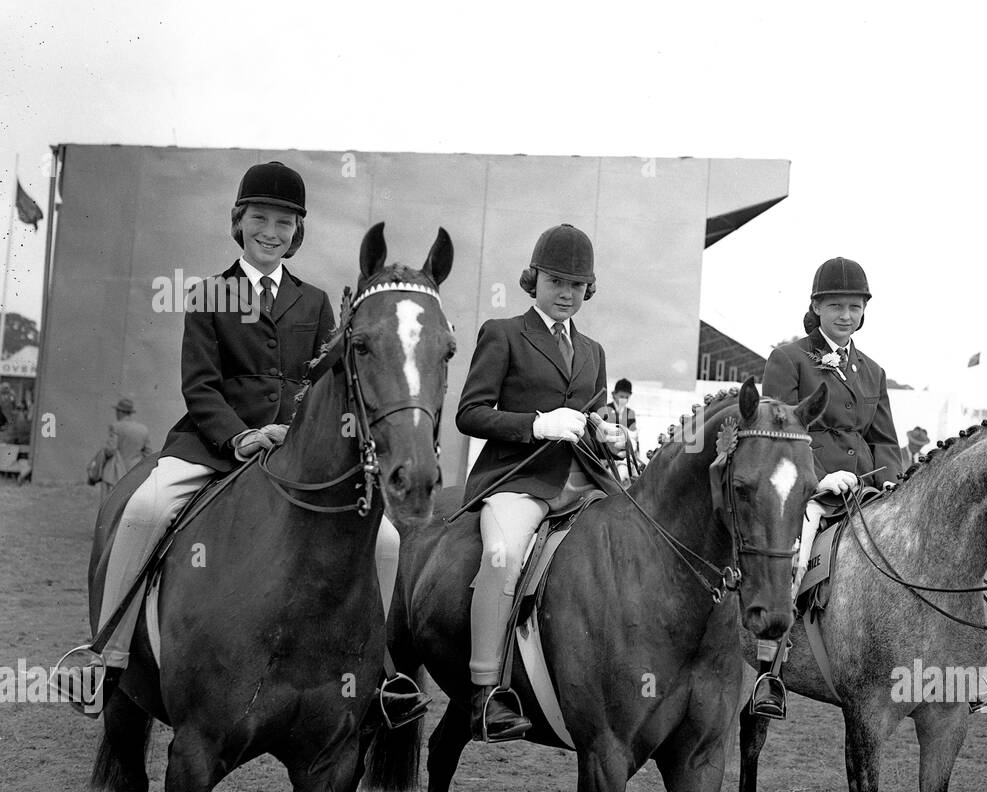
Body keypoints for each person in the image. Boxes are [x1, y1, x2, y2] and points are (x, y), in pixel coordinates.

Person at [89, 161, 418, 723]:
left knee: (385, 539)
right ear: (239, 223)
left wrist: (301, 427)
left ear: (297, 232)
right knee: (144, 507)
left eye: (285, 223)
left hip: (293, 452)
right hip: (212, 446)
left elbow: (322, 383)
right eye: (261, 218)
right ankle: (107, 655)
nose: (272, 231)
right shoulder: (208, 294)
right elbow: (200, 386)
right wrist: (240, 436)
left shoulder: (315, 302)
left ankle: (383, 670)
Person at [456, 223, 625, 742]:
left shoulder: (593, 350)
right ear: (534, 279)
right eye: (556, 282)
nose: (567, 294)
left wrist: (605, 432)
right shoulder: (502, 332)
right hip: (520, 477)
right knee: (502, 554)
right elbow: (471, 413)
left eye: (577, 285)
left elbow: (590, 413)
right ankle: (487, 692)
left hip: (585, 478)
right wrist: (535, 423)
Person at [758, 256, 904, 718]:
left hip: (866, 493)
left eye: (855, 306)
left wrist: (890, 488)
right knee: (792, 563)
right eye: (836, 305)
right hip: (810, 492)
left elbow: (883, 440)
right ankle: (769, 670)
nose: (846, 315)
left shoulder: (872, 371)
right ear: (816, 307)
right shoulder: (788, 359)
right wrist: (817, 478)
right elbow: (776, 431)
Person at [99, 397, 151, 504]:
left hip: (116, 474)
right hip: (135, 473)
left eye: (117, 411)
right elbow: (148, 453)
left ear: (121, 412)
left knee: (109, 504)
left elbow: (110, 450)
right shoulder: (143, 429)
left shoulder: (116, 427)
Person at [597, 378, 639, 484]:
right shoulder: (605, 409)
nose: (623, 400)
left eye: (626, 397)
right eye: (621, 396)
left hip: (624, 454)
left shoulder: (630, 413)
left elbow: (633, 435)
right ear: (613, 394)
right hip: (606, 453)